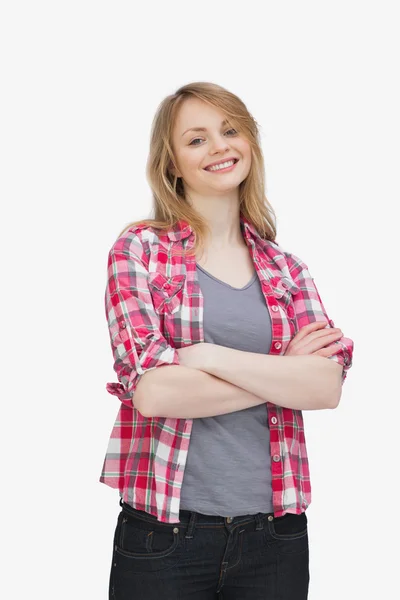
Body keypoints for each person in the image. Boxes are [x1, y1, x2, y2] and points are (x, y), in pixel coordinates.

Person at [100, 81, 354, 600]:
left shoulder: (288, 271)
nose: (219, 146)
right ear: (171, 163)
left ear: (250, 144)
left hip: (275, 538)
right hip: (163, 538)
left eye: (230, 130)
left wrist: (208, 357)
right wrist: (282, 373)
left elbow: (326, 388)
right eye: (196, 139)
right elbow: (153, 393)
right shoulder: (140, 251)